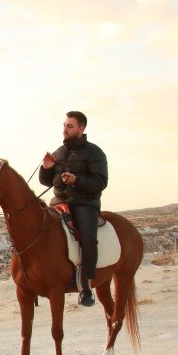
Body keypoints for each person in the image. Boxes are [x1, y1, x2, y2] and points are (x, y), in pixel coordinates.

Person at [39, 111, 108, 307]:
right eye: (64, 125)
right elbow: (46, 182)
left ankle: (86, 287)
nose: (65, 129)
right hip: (58, 202)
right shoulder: (58, 152)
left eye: (70, 126)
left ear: (81, 128)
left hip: (85, 204)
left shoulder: (95, 152)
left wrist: (77, 180)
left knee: (87, 238)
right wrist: (46, 168)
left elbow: (100, 182)